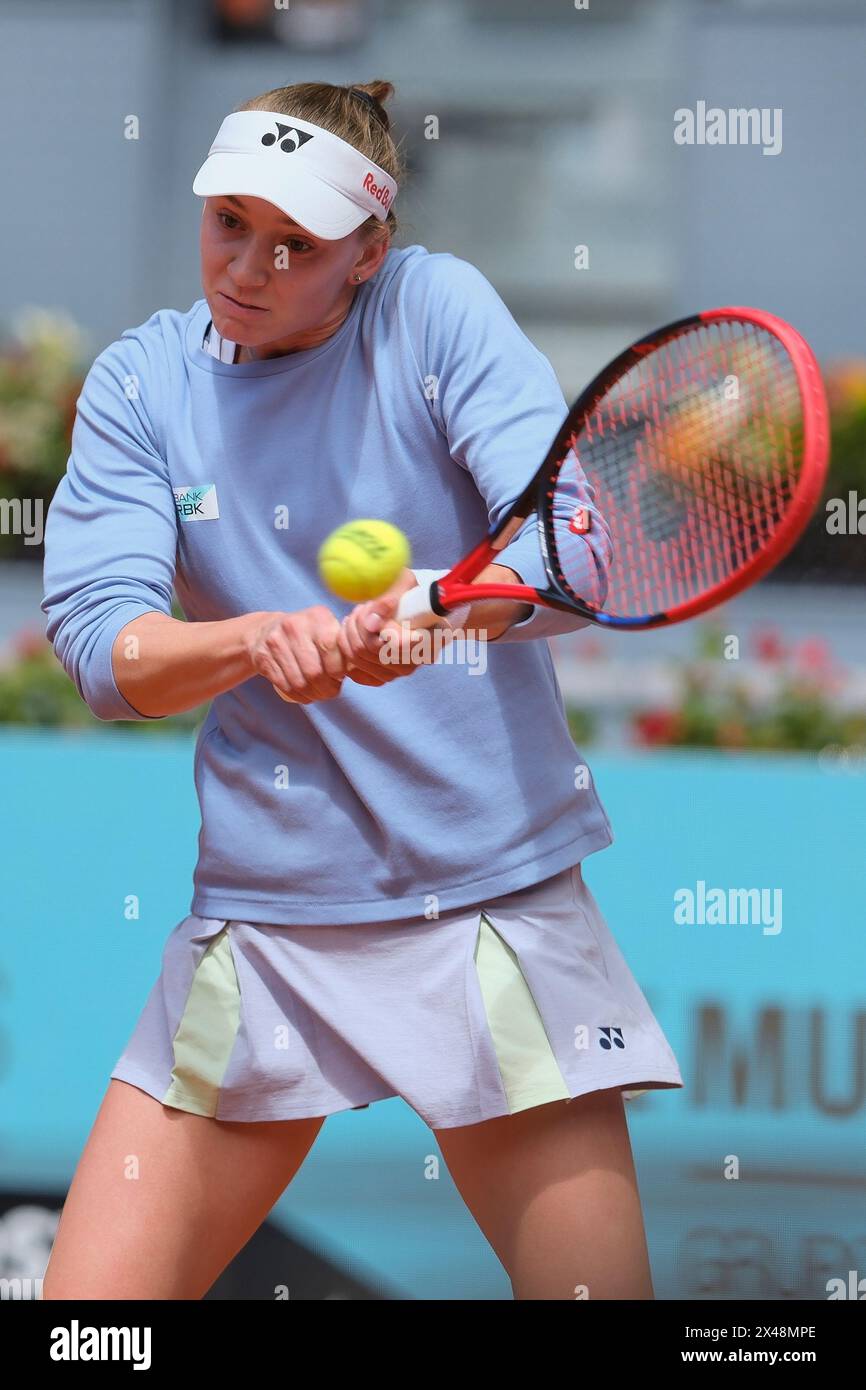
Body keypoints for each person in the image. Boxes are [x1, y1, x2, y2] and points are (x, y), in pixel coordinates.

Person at [40, 80, 683, 1301]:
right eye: (229, 222)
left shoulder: (433, 310)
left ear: (368, 250)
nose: (249, 264)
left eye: (296, 243)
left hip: (487, 904)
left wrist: (438, 605)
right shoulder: (141, 386)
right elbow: (102, 651)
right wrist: (253, 639)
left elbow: (573, 547)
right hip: (266, 929)